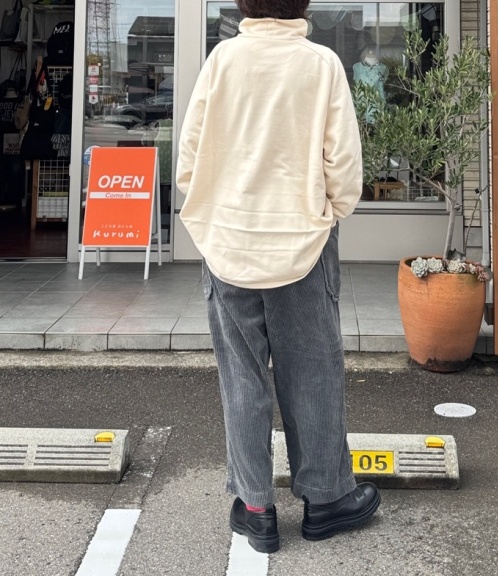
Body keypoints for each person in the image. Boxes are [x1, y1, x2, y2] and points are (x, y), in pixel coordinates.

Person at [176, 0, 381, 555]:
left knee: (241, 377)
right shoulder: (320, 64)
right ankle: (326, 500)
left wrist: (213, 213)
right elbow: (344, 163)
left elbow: (188, 161)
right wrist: (332, 212)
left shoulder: (222, 61)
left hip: (229, 243)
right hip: (302, 242)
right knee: (313, 371)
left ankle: (256, 508)